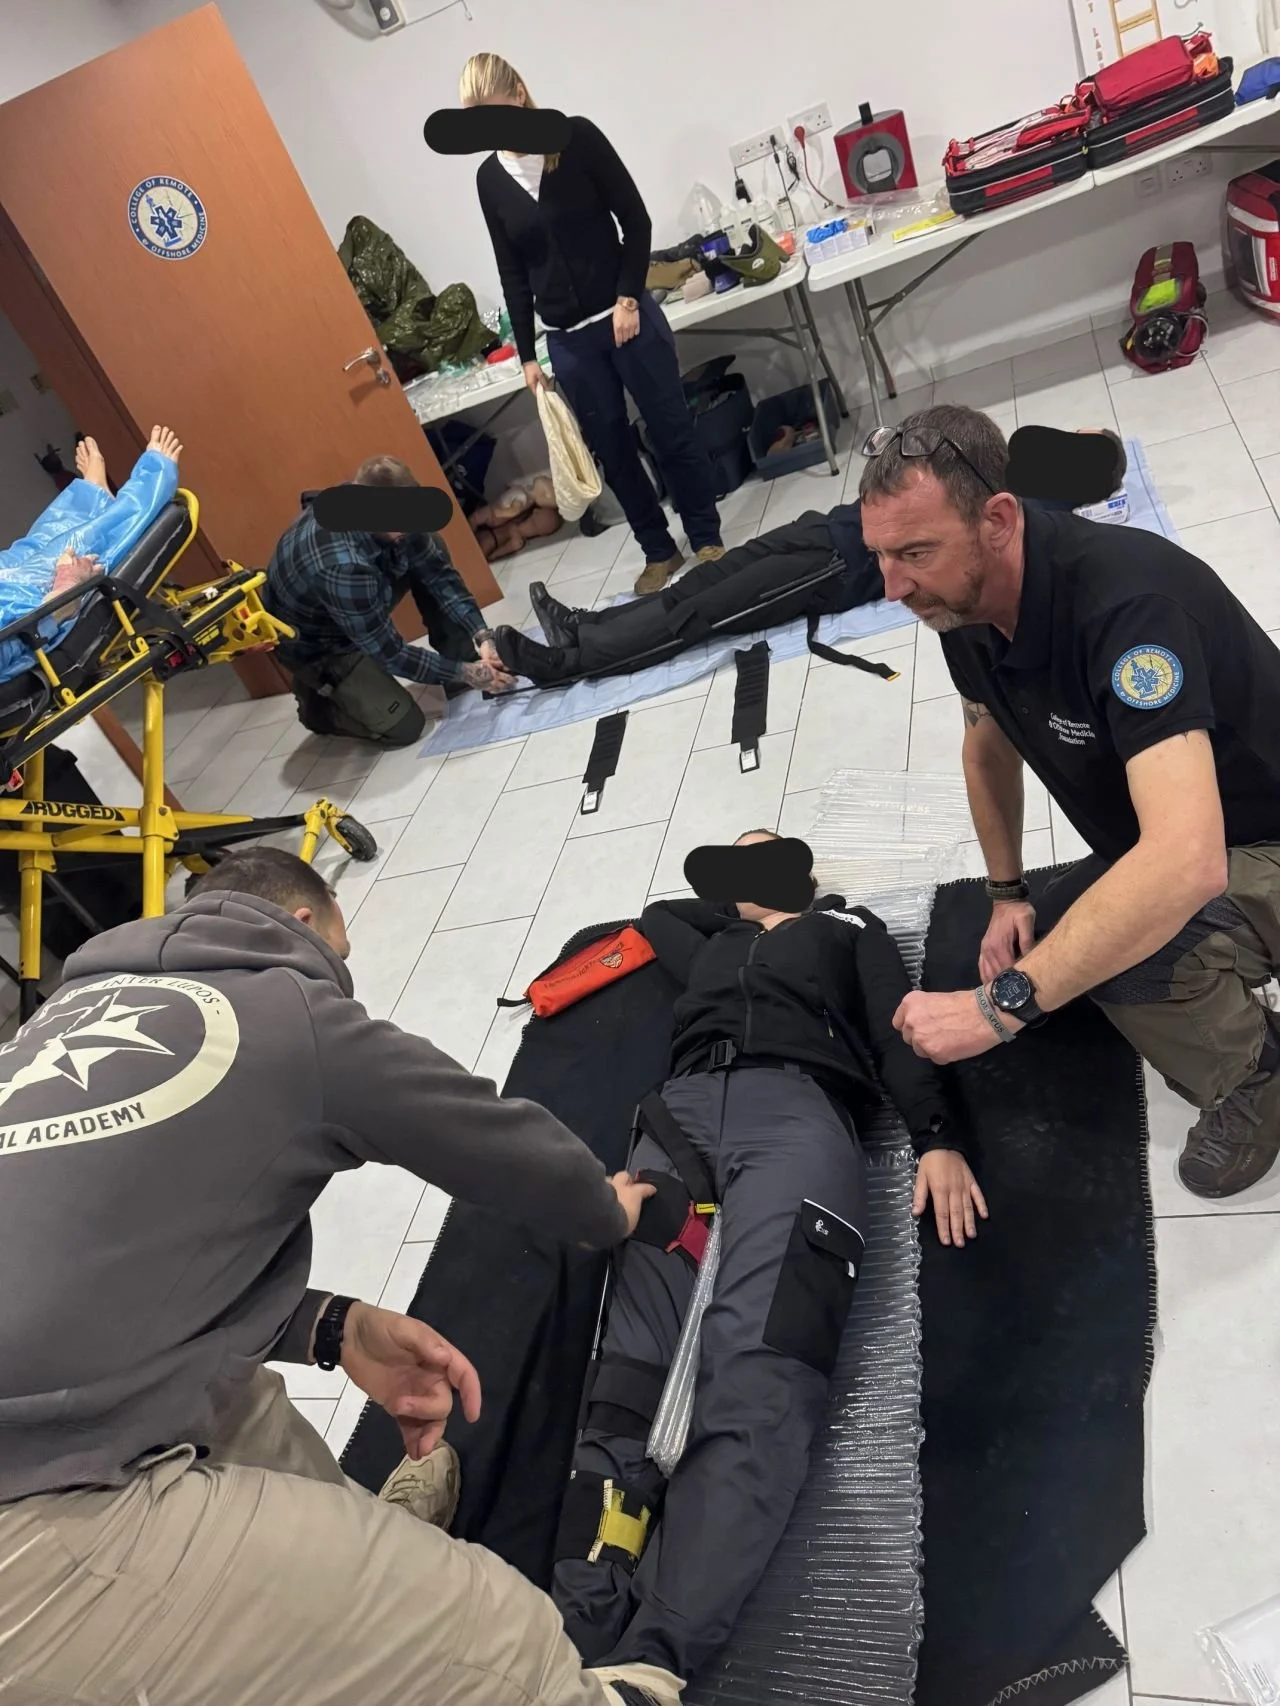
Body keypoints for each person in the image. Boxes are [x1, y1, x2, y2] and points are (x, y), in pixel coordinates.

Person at [0, 845, 675, 1706]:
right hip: (30, 1518)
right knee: (493, 1630)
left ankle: (342, 1564)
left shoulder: (49, 1024)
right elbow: (503, 1144)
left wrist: (326, 1324)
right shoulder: (287, 1011)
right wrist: (609, 1212)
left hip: (44, 1408)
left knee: (246, 1406)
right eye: (342, 954)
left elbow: (97, 1265)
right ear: (307, 920)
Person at [551, 831, 983, 1696]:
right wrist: (737, 909)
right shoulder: (708, 941)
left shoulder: (848, 928)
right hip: (677, 1120)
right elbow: (657, 914)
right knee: (629, 1375)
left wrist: (938, 1138)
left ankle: (653, 1660)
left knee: (761, 1365)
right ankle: (570, 1632)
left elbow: (900, 1025)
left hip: (799, 1112)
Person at [859, 403, 1280, 1199]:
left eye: (914, 552)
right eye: (880, 555)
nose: (893, 587)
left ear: (998, 519)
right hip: (1192, 836)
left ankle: (1257, 1079)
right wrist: (1006, 893)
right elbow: (987, 744)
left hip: (1257, 840)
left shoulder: (1127, 610)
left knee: (1129, 958)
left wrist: (997, 1009)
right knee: (1051, 937)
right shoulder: (966, 602)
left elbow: (1186, 862)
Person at [461, 53, 724, 596]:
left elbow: (637, 221)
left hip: (627, 318)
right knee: (613, 452)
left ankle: (705, 537)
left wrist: (629, 299)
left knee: (671, 431)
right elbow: (512, 269)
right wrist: (529, 356)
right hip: (570, 342)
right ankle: (658, 550)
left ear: (518, 92)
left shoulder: (574, 138)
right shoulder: (489, 179)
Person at [264, 454, 513, 748]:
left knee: (430, 544)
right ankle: (320, 706)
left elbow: (440, 578)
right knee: (406, 727)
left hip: (354, 602)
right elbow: (390, 653)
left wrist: (482, 635)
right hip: (319, 646)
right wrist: (465, 673)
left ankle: (460, 661)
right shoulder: (343, 565)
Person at [495, 505, 883, 685]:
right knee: (695, 584)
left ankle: (569, 662)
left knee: (701, 611)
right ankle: (582, 627)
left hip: (838, 566)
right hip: (827, 527)